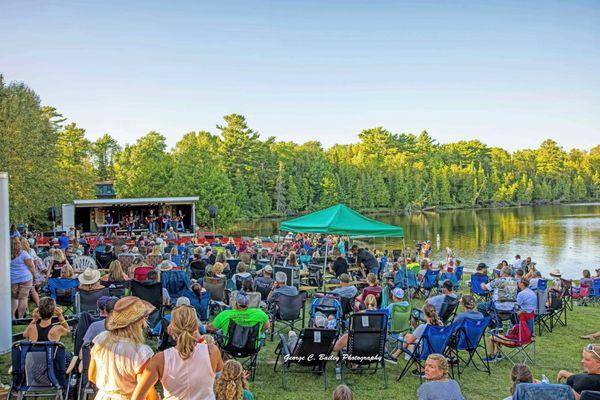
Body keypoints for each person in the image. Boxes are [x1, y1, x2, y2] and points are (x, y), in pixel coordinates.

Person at [133, 305, 223, 400]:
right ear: (196, 328)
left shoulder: (160, 359)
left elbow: (138, 397)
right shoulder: (212, 351)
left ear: (171, 330)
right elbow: (218, 375)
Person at [89, 296, 156, 400]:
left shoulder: (100, 340)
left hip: (103, 396)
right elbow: (146, 391)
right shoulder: (140, 352)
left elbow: (92, 376)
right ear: (138, 322)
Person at [10, 237, 36, 319]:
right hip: (26, 278)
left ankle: (13, 317)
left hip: (13, 279)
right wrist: (34, 276)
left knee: (14, 298)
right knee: (23, 298)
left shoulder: (6, 254)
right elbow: (31, 266)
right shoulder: (24, 253)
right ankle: (20, 318)